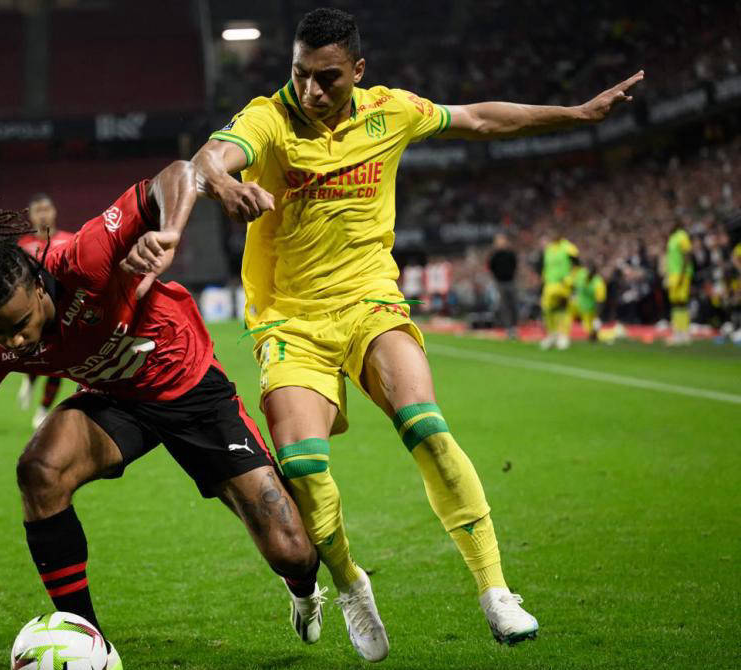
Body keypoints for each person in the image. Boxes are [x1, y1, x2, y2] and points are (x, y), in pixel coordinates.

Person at [189, 7, 642, 658]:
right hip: (291, 319)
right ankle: (349, 583)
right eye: (300, 74)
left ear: (358, 71)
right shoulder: (271, 118)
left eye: (327, 77)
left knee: (425, 425)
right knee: (303, 466)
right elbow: (212, 155)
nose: (310, 90)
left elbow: (479, 118)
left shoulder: (391, 111)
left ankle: (495, 590)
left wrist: (576, 114)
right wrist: (220, 180)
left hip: (368, 301)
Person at [0, 161, 325, 669]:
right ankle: (88, 642)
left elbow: (178, 173)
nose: (15, 340)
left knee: (293, 551)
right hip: (116, 400)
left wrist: (168, 234)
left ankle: (303, 590)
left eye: (21, 323)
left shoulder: (85, 258)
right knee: (40, 471)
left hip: (187, 385)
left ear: (40, 289)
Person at [15, 193, 75, 428]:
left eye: (46, 209)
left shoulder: (70, 240)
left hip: (63, 312)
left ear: (54, 212)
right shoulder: (23, 246)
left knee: (57, 365)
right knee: (35, 355)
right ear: (31, 216)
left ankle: (42, 410)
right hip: (34, 315)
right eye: (38, 211)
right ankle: (29, 380)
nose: (43, 215)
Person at [540, 233, 580, 350]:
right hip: (549, 284)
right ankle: (552, 335)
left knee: (564, 310)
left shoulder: (569, 248)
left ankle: (563, 335)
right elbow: (546, 267)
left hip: (563, 284)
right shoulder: (549, 249)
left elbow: (577, 264)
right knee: (547, 310)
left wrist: (571, 279)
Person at [664, 223, 694, 345]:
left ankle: (685, 333)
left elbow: (687, 254)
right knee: (675, 303)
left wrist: (682, 273)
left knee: (682, 302)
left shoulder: (682, 235)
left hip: (681, 274)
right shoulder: (672, 238)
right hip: (673, 275)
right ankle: (677, 332)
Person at [487, 234, 519, 339]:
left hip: (510, 281)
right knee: (504, 306)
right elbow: (490, 266)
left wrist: (511, 274)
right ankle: (508, 328)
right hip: (500, 282)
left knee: (513, 305)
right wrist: (497, 277)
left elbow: (515, 264)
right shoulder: (494, 255)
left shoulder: (510, 253)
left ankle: (515, 327)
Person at [570, 261, 607, 342]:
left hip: (589, 311)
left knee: (589, 332)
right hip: (577, 306)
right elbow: (572, 284)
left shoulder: (598, 283)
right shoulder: (580, 274)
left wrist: (597, 317)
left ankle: (613, 332)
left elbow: (600, 301)